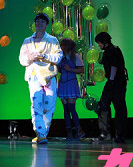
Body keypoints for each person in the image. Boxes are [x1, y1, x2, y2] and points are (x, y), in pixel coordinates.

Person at [19, 13, 63, 144]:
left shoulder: (52, 40)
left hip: (49, 75)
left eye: (42, 22)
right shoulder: (28, 41)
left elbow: (58, 57)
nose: (39, 24)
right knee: (36, 104)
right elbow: (22, 59)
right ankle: (40, 132)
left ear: (46, 25)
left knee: (49, 105)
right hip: (34, 75)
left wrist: (44, 56)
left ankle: (43, 133)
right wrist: (30, 58)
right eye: (37, 21)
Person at [94, 32, 128, 144]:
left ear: (104, 42)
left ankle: (116, 134)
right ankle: (110, 133)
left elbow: (114, 65)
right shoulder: (113, 50)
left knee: (118, 108)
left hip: (116, 82)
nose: (99, 45)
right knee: (106, 106)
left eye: (99, 43)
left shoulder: (111, 51)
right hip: (116, 82)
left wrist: (112, 80)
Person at [57, 38, 85, 140]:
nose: (61, 47)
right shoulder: (61, 57)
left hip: (71, 83)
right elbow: (59, 69)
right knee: (65, 108)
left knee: (71, 107)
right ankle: (68, 131)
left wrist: (71, 69)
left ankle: (78, 130)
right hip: (63, 83)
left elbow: (81, 70)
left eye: (63, 45)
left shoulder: (76, 56)